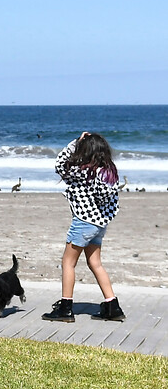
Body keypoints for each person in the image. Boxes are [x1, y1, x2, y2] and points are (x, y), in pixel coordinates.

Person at [42, 132, 125, 322]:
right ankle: (112, 306)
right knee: (95, 263)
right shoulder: (109, 172)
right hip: (100, 223)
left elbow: (60, 164)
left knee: (68, 262)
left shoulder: (84, 172)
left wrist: (75, 142)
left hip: (83, 222)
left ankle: (65, 308)